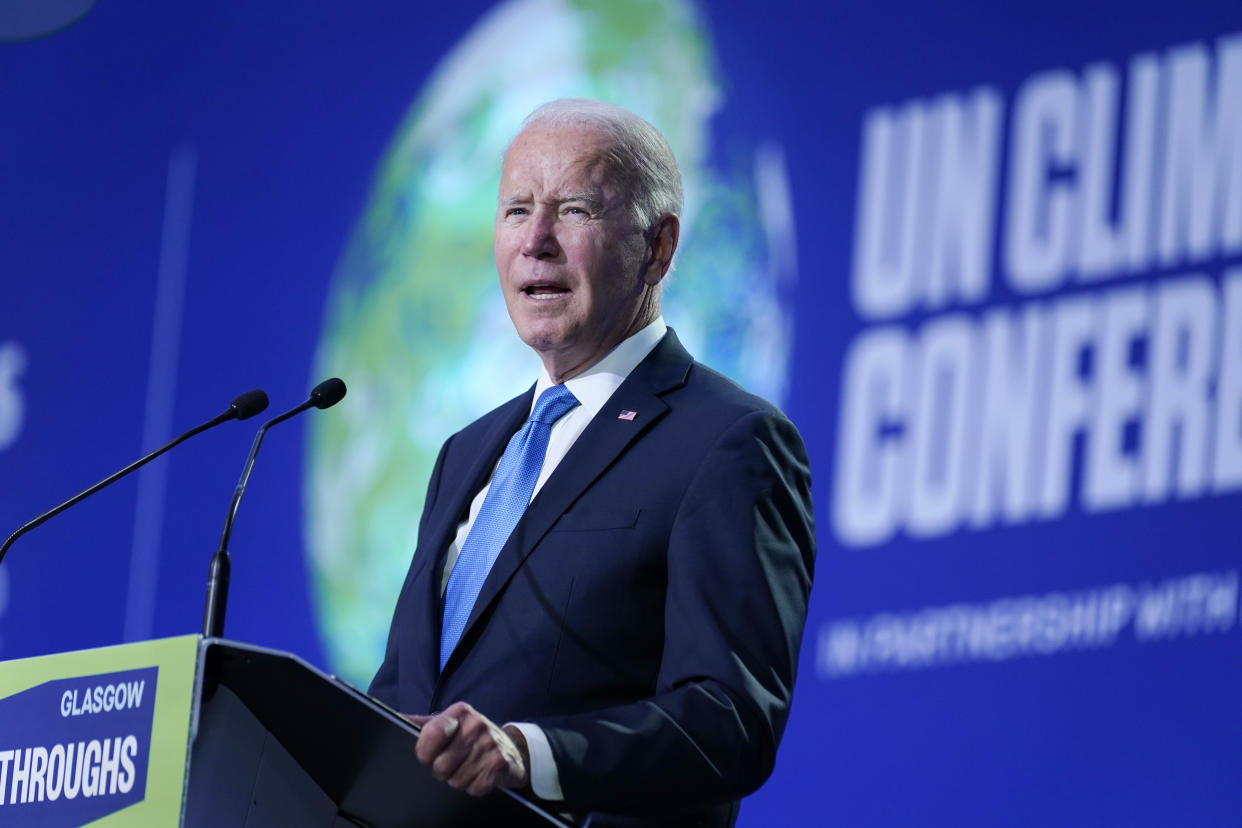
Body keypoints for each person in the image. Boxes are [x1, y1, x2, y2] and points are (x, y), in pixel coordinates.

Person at [368, 98, 815, 827]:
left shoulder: (728, 441)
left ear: (658, 248)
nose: (536, 241)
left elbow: (729, 719)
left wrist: (527, 753)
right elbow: (402, 698)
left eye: (573, 209)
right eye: (516, 210)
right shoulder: (465, 456)